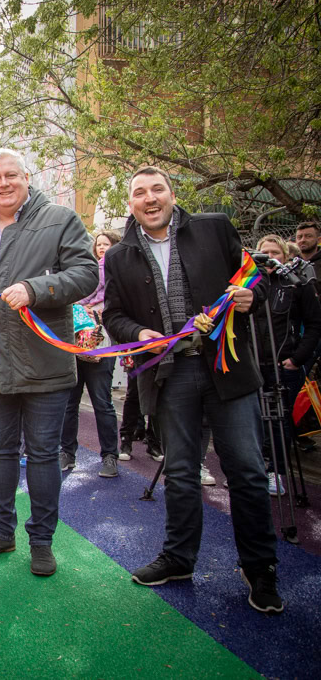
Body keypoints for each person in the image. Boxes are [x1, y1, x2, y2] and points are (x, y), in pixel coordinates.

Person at [102, 165, 283, 613]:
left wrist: (251, 298)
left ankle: (259, 568)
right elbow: (114, 315)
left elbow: (252, 280)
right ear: (131, 204)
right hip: (170, 374)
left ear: (172, 193)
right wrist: (140, 332)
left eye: (157, 189)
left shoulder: (215, 228)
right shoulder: (119, 256)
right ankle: (179, 558)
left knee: (247, 470)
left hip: (228, 366)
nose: (149, 198)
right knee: (181, 472)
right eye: (139, 192)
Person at [0, 148, 98, 577]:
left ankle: (42, 541)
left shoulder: (59, 219)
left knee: (42, 455)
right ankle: (1, 532)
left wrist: (36, 288)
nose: (3, 183)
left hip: (45, 361)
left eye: (11, 175)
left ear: (26, 177)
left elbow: (87, 273)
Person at [253, 234, 321, 495]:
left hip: (284, 364)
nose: (269, 258)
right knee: (254, 419)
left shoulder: (297, 285)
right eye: (264, 253)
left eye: (275, 253)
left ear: (285, 256)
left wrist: (297, 359)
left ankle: (277, 472)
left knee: (279, 420)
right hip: (254, 364)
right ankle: (256, 469)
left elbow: (315, 325)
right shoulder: (249, 284)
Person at [59, 229, 122, 478]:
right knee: (69, 402)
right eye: (99, 244)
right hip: (74, 344)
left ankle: (109, 455)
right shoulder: (83, 272)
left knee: (102, 402)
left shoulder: (118, 275)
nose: (102, 248)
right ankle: (67, 452)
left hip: (101, 344)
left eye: (107, 244)